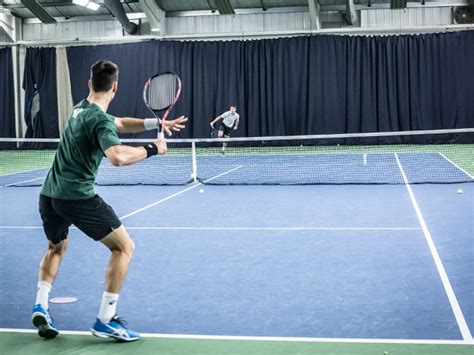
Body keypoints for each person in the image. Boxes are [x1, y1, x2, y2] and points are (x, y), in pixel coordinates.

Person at [31, 60, 187, 342]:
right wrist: (154, 148)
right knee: (124, 247)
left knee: (56, 247)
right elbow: (117, 156)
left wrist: (156, 122)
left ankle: (41, 304)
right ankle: (106, 319)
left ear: (90, 84)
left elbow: (119, 122)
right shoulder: (98, 119)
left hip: (49, 195)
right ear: (115, 87)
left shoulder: (80, 109)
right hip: (76, 197)